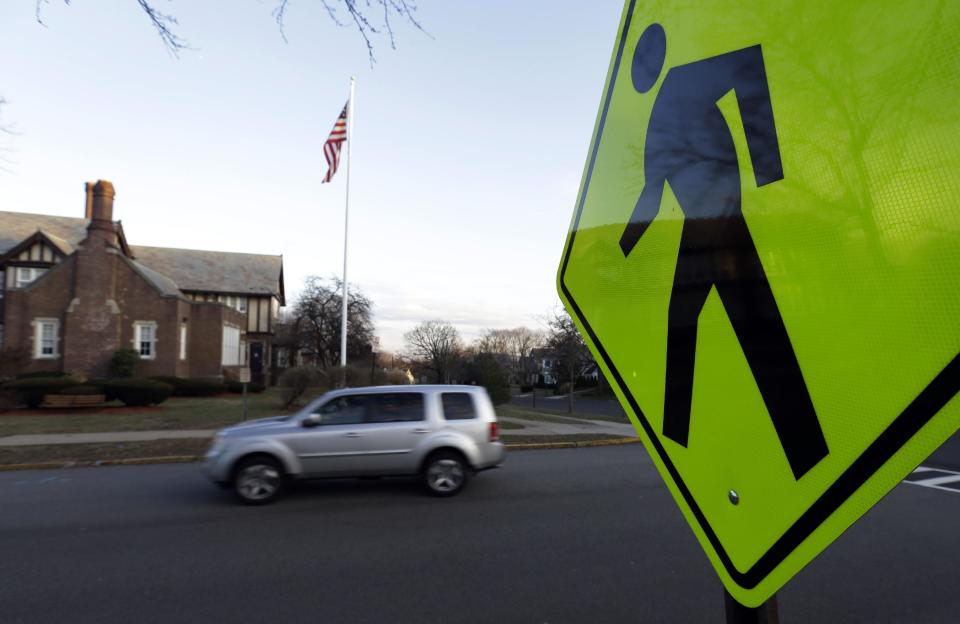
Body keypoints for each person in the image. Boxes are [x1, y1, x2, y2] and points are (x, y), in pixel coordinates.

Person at [620, 24, 828, 479]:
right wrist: (618, 250)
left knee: (747, 325)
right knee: (699, 320)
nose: (638, 73)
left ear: (654, 54)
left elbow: (746, 66)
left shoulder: (682, 81)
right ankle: (688, 437)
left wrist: (768, 171)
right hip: (699, 229)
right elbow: (651, 198)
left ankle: (806, 450)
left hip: (724, 217)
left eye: (641, 61)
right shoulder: (656, 131)